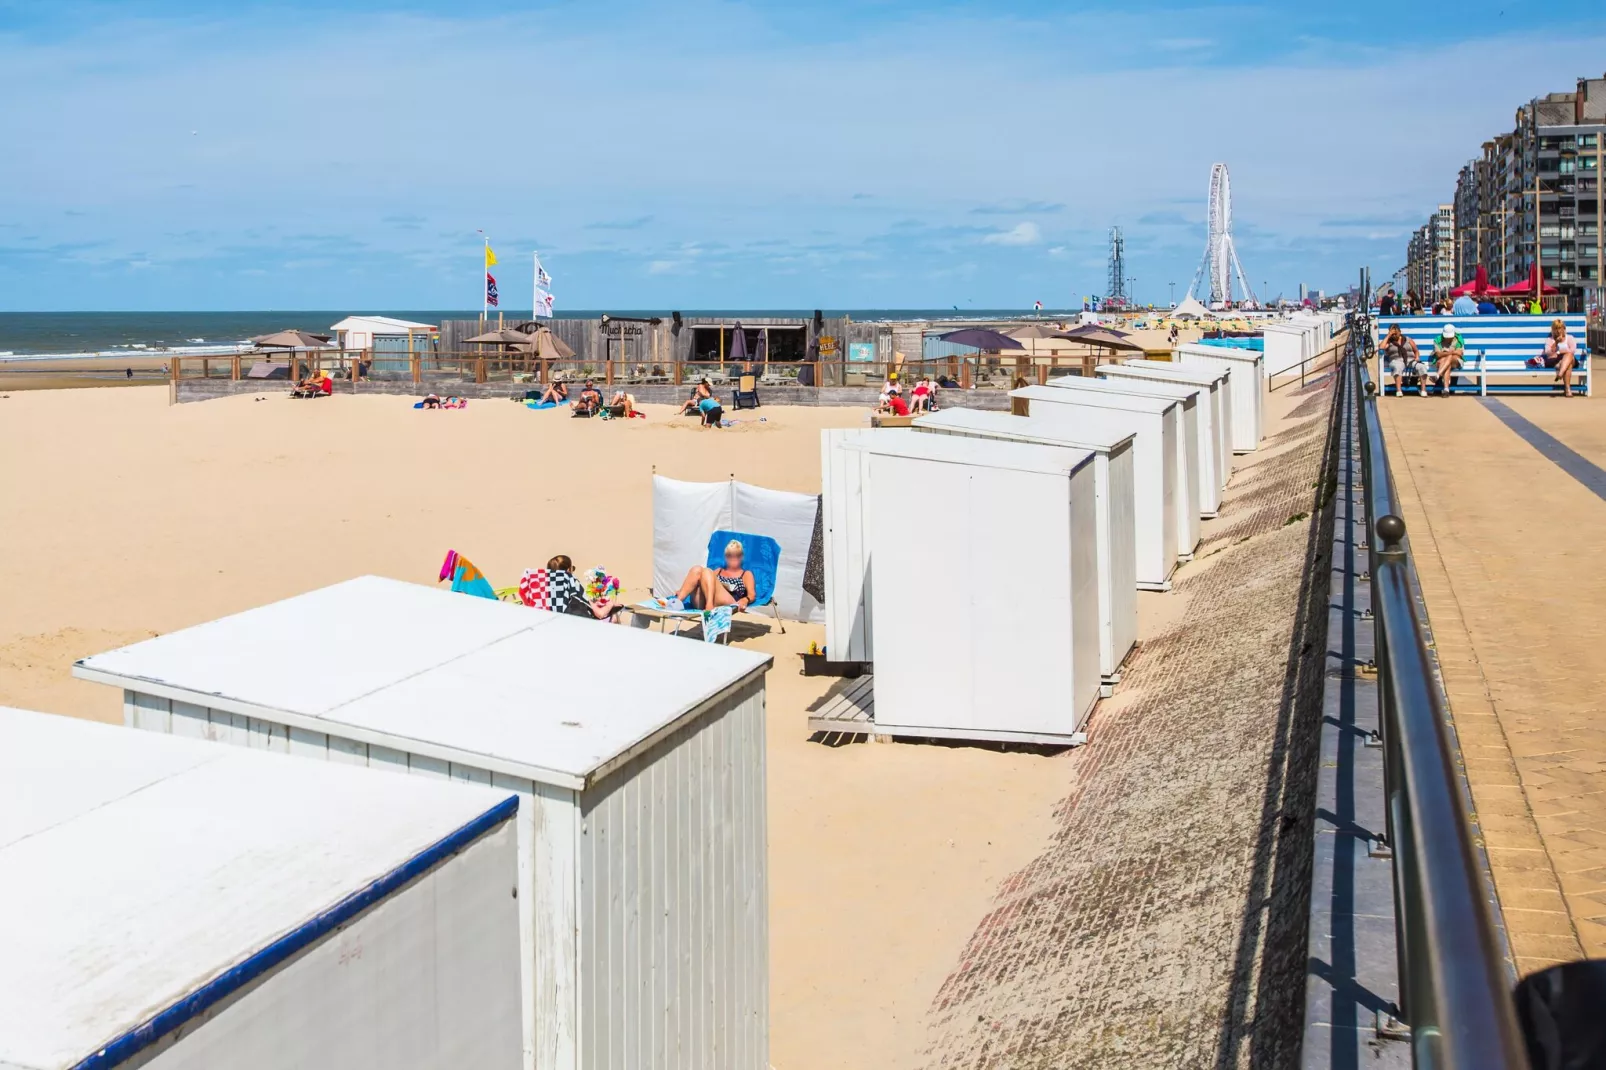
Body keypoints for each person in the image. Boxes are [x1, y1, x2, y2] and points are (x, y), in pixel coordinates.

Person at [666, 539, 758, 613]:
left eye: (737, 555)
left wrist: (745, 600)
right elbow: (705, 581)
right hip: (703, 602)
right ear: (726, 557)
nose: (733, 558)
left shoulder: (746, 574)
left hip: (729, 602)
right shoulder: (719, 571)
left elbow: (752, 595)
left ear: (741, 557)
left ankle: (709, 606)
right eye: (730, 555)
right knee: (697, 569)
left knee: (706, 571)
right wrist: (683, 589)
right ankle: (677, 602)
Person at [546, 554, 624, 620]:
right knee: (614, 618)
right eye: (572, 568)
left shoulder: (544, 589)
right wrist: (610, 604)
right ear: (568, 570)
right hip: (577, 629)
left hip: (552, 629)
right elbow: (600, 614)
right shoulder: (572, 584)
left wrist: (592, 603)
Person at [1537, 318, 1580, 397]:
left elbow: (1572, 350)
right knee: (1568, 365)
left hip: (1569, 359)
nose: (1558, 330)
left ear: (1564, 328)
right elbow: (1548, 353)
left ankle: (1560, 373)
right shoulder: (1550, 340)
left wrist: (1560, 352)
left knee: (1569, 356)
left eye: (1560, 328)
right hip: (1556, 361)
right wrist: (1556, 343)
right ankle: (1568, 390)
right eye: (1556, 328)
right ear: (1553, 330)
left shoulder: (1570, 338)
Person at [1380, 324, 1426, 397]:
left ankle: (1423, 390)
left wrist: (1417, 358)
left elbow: (1416, 351)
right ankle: (1399, 390)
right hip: (1396, 360)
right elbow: (1381, 347)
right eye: (1392, 333)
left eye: (1396, 333)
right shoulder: (1389, 342)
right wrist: (1388, 336)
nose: (1394, 335)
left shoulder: (1408, 340)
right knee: (1398, 366)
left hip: (1410, 360)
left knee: (1422, 367)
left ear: (1400, 332)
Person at [1432, 324, 1465, 396]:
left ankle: (1438, 375)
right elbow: (1438, 355)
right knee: (1448, 364)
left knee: (1448, 357)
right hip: (1444, 362)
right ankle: (1446, 389)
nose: (1448, 338)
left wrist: (1445, 353)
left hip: (1456, 361)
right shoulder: (1437, 340)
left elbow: (1459, 354)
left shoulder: (1459, 339)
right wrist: (1452, 352)